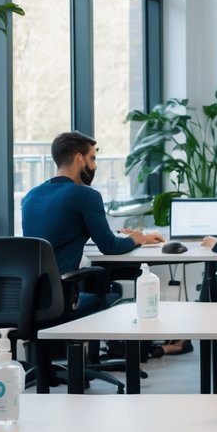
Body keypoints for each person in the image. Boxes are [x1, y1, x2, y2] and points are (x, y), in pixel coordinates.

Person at [21, 131, 163, 315]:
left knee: (102, 286)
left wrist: (123, 235)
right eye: (93, 158)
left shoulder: (30, 196)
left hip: (29, 297)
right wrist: (138, 239)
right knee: (113, 294)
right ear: (79, 158)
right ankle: (145, 344)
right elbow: (109, 246)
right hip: (59, 299)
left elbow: (59, 232)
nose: (95, 165)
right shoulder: (86, 195)